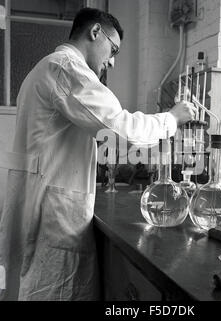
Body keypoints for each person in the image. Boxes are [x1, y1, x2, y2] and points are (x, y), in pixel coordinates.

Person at [0, 7, 197, 301]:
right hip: (53, 215)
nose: (113, 62)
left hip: (41, 202)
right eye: (113, 49)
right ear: (95, 32)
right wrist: (171, 119)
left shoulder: (44, 69)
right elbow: (120, 130)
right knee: (57, 291)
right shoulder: (66, 68)